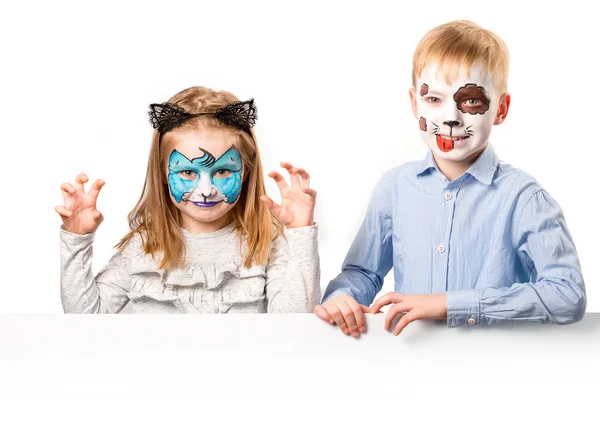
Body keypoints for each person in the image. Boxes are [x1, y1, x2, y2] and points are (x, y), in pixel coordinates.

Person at [315, 20, 586, 337]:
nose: (451, 118)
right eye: (434, 100)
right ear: (415, 102)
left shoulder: (524, 199)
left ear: (500, 109)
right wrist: (341, 299)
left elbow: (567, 295)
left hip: (494, 371)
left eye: (471, 101)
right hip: (410, 366)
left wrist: (452, 304)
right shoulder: (395, 188)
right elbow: (362, 272)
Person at [56, 86, 320, 313]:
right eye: (187, 172)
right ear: (162, 173)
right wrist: (76, 240)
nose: (206, 190)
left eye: (223, 171)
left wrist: (300, 232)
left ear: (245, 172)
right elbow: (87, 317)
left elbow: (295, 323)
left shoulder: (266, 243)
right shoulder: (145, 245)